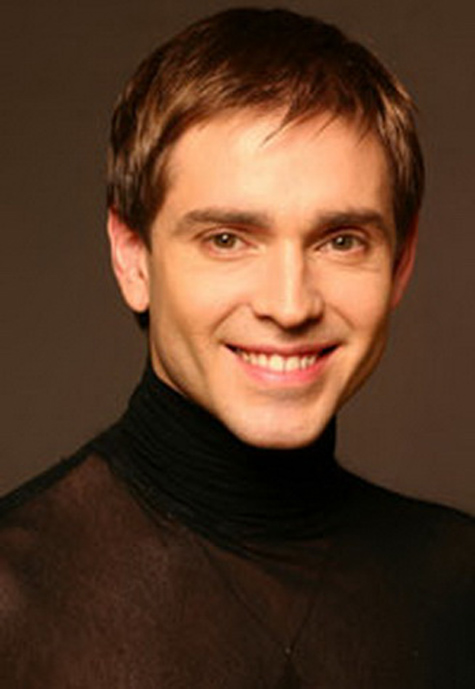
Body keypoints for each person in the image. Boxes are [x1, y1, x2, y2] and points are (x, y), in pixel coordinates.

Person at [1, 7, 473, 688]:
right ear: (132, 257)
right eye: (226, 239)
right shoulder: (13, 596)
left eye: (340, 240)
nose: (289, 304)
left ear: (400, 262)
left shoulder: (458, 583)